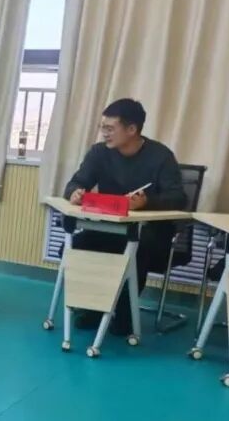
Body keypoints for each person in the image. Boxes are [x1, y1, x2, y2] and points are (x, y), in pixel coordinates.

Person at [63, 98, 186, 335]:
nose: (104, 133)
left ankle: (124, 313)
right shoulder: (99, 152)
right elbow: (76, 182)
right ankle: (93, 308)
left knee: (136, 252)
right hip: (108, 228)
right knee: (73, 247)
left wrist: (147, 203)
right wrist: (75, 192)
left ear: (131, 129)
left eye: (110, 128)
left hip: (148, 233)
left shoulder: (161, 156)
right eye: (102, 127)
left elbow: (178, 198)